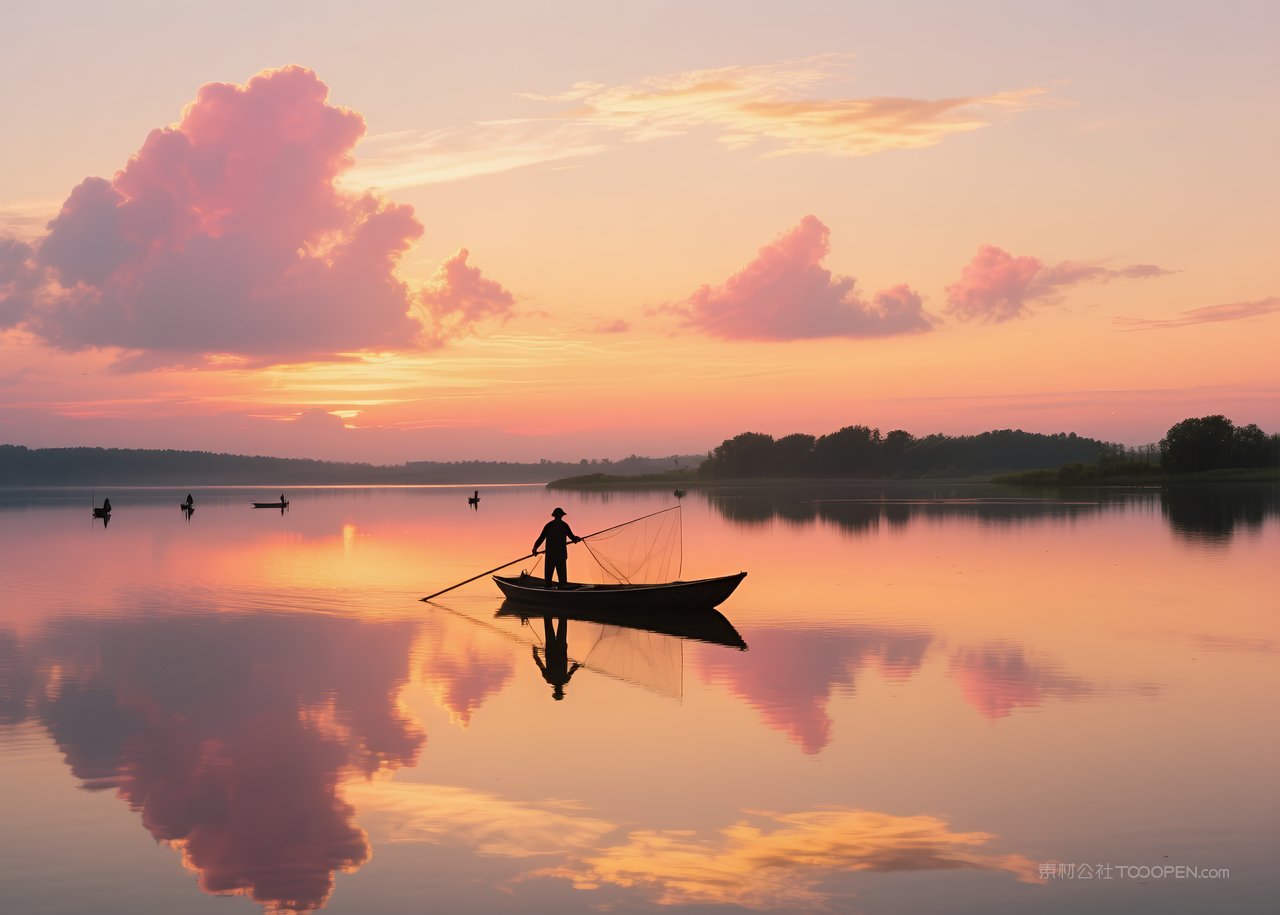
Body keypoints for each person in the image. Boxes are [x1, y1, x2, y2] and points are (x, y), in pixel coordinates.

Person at [532, 507, 581, 588]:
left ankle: (550, 590)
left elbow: (541, 538)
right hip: (560, 555)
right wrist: (576, 539)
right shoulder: (564, 525)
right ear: (561, 516)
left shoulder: (550, 525)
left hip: (551, 555)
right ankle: (560, 590)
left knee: (549, 579)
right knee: (561, 580)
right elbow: (573, 538)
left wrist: (535, 548)